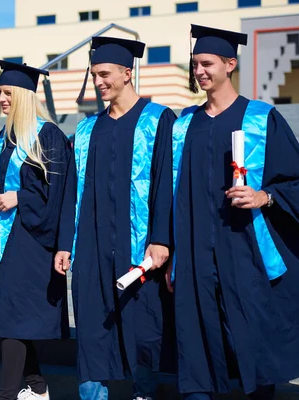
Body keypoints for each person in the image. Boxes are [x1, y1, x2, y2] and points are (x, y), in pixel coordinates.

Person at [172, 24, 299, 400]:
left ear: (229, 64)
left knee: (253, 335)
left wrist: (264, 196)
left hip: (244, 247)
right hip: (195, 250)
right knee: (196, 335)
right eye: (195, 64)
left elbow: (298, 182)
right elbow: (163, 191)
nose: (199, 71)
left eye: (207, 64)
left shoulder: (261, 119)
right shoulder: (183, 125)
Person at [54, 37, 176, 400]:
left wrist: (160, 237)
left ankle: (143, 392)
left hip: (138, 244)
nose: (99, 81)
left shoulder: (158, 119)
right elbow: (72, 191)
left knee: (142, 326)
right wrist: (64, 243)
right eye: (94, 75)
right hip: (91, 245)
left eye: (105, 74)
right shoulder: (88, 128)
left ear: (127, 72)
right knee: (91, 326)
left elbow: (165, 183)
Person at [0, 60, 72, 400]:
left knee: (11, 320)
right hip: (1, 240)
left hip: (31, 242)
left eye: (8, 93)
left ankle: (7, 394)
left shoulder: (47, 136)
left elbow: (59, 194)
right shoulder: (1, 138)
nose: (1, 99)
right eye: (0, 93)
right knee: (12, 319)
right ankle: (37, 387)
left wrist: (20, 196)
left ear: (24, 96)